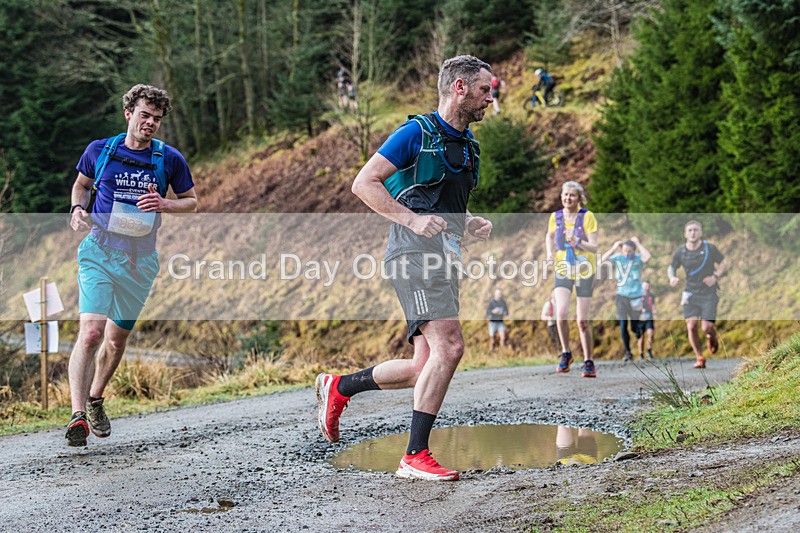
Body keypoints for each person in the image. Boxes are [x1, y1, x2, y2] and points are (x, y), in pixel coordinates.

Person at [316, 55, 494, 481]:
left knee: (423, 364)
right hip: (411, 254)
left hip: (444, 258)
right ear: (459, 88)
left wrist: (468, 222)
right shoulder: (416, 132)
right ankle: (414, 455)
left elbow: (444, 205)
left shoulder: (468, 148)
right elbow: (364, 182)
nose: (491, 97)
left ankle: (339, 387)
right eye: (485, 89)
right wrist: (411, 220)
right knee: (450, 347)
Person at [66, 84, 197, 446]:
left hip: (139, 261)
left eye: (157, 118)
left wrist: (165, 205)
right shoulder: (100, 150)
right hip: (99, 252)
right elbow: (81, 186)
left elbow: (192, 201)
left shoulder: (168, 159)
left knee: (116, 339)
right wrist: (78, 209)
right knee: (91, 333)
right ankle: (77, 415)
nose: (150, 123)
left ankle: (95, 398)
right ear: (129, 113)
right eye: (144, 115)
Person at [545, 181, 599, 378]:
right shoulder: (555, 217)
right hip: (563, 269)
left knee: (582, 321)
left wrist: (578, 242)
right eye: (565, 195)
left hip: (585, 268)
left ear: (579, 198)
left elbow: (595, 247)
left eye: (572, 195)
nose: (568, 198)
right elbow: (549, 236)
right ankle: (566, 353)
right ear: (561, 197)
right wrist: (550, 253)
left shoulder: (587, 217)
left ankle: (588, 360)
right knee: (560, 313)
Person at [667, 221, 727, 369]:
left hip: (708, 293)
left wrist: (716, 276)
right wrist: (672, 277)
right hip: (690, 293)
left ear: (700, 232)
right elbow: (671, 267)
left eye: (695, 230)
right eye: (690, 230)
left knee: (706, 327)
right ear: (685, 234)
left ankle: (711, 336)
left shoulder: (709, 248)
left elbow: (723, 262)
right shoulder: (681, 252)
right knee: (691, 325)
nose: (693, 233)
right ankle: (699, 356)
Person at [600, 237, 651, 362]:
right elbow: (601, 260)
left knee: (634, 327)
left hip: (636, 297)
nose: (627, 253)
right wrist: (613, 248)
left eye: (630, 251)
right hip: (621, 296)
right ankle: (628, 352)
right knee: (623, 325)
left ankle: (638, 332)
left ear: (634, 250)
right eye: (625, 251)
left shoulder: (638, 259)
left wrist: (638, 242)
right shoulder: (618, 257)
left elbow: (647, 257)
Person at [636, 280, 656, 360]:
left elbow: (653, 304)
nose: (646, 287)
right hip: (640, 318)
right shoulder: (638, 296)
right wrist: (640, 309)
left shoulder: (651, 295)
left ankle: (649, 349)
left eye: (647, 286)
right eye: (645, 286)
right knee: (641, 336)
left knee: (651, 333)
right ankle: (641, 353)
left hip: (649, 317)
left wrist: (654, 310)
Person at [540, 289, 559, 353]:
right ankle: (556, 353)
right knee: (554, 341)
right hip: (552, 325)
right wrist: (550, 318)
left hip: (560, 324)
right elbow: (543, 316)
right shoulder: (548, 304)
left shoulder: (561, 304)